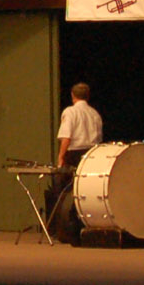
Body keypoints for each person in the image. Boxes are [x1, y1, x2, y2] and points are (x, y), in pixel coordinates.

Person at [44, 81, 103, 240]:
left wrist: (61, 157)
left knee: (61, 188)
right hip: (92, 155)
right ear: (88, 96)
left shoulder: (70, 112)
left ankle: (61, 229)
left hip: (74, 154)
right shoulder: (95, 114)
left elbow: (66, 137)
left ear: (72, 96)